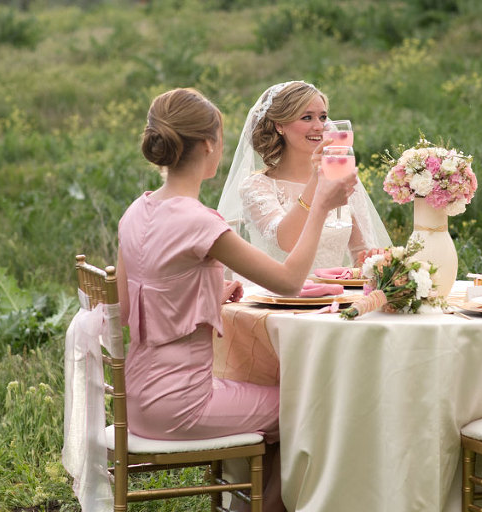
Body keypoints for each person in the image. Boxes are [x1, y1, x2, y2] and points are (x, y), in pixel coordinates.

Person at [117, 88, 356, 511]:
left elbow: (127, 303)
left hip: (136, 398)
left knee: (282, 395)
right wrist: (319, 206)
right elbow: (288, 281)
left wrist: (204, 291)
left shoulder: (137, 210)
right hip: (182, 404)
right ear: (210, 145)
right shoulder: (199, 221)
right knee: (313, 406)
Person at [217, 80, 391, 271]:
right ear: (280, 125)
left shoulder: (342, 180)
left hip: (333, 289)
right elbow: (287, 242)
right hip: (277, 289)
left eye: (323, 117)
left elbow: (361, 255)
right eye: (307, 118)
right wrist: (317, 179)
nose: (320, 126)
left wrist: (375, 262)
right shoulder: (257, 186)